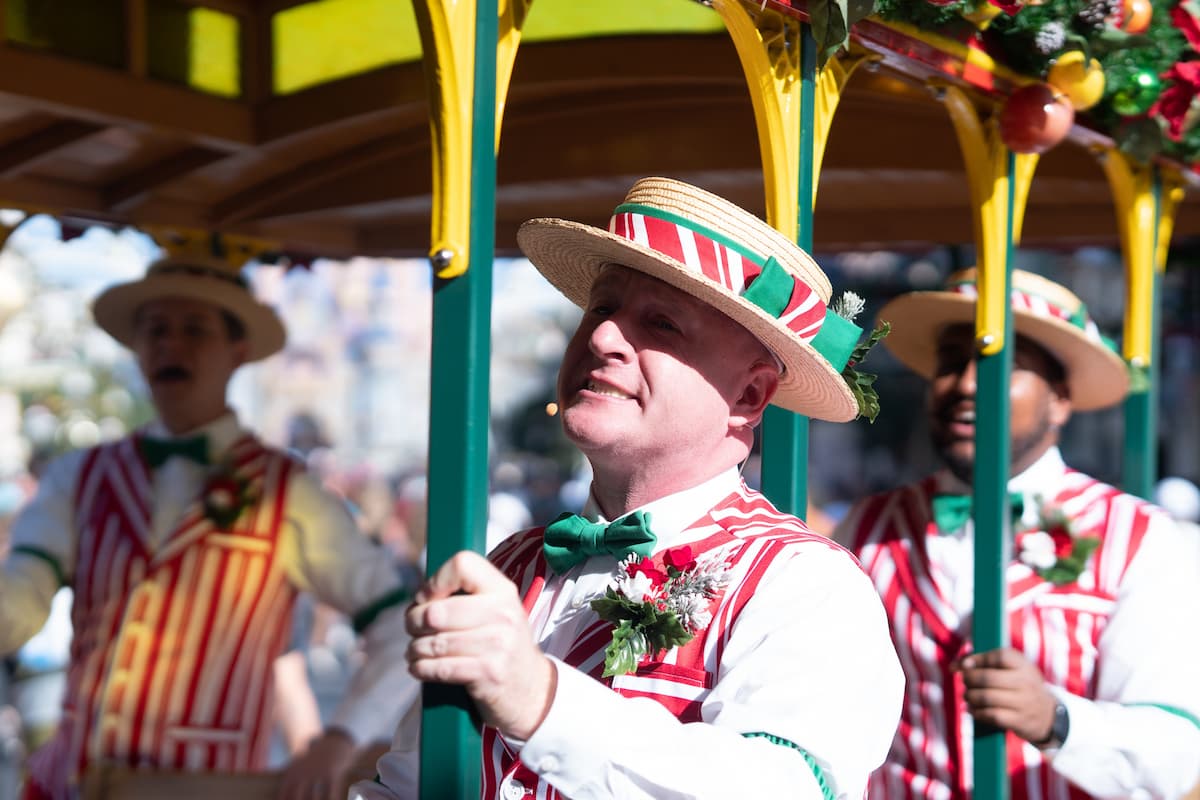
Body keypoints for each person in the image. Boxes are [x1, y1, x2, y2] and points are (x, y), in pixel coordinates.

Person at [354, 176, 904, 799]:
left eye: (662, 324)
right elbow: (407, 785)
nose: (603, 338)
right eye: (600, 307)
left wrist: (538, 698)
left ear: (748, 396)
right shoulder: (507, 566)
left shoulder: (804, 585)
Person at [0, 256, 418, 800]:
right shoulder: (75, 476)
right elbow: (19, 602)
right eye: (155, 330)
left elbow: (397, 625)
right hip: (71, 786)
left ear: (237, 352)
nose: (171, 345)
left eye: (194, 329)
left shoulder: (288, 490)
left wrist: (340, 739)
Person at [833, 268, 1200, 799]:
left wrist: (1057, 719)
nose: (966, 385)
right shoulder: (866, 530)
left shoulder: (1142, 540)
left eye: (1001, 365)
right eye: (951, 363)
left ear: (1060, 399)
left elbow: (1175, 753)